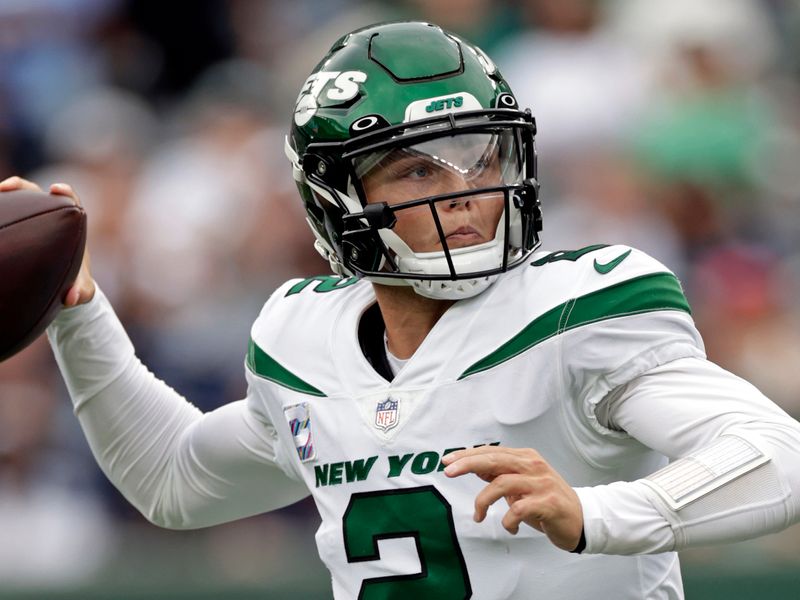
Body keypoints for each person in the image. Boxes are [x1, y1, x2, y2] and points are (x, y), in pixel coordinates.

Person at [2, 21, 800, 600]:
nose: (466, 194)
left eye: (481, 156)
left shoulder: (579, 309)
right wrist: (80, 309)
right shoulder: (302, 336)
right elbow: (173, 481)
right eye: (418, 173)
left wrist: (596, 513)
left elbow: (776, 454)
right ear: (336, 199)